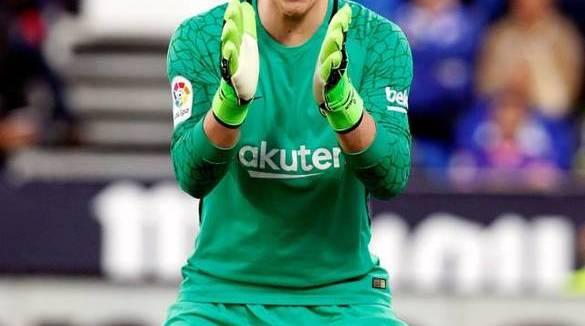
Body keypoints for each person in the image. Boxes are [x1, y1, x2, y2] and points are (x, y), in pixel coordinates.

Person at [165, 0, 412, 324]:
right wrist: (230, 105)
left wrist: (343, 105)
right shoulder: (203, 36)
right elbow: (191, 176)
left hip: (344, 298)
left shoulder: (379, 39)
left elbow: (391, 177)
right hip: (219, 297)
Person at [477, 0, 583, 119]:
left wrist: (533, 87)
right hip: (502, 120)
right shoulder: (498, 36)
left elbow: (569, 95)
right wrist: (510, 87)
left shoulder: (564, 37)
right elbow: (484, 88)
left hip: (550, 122)